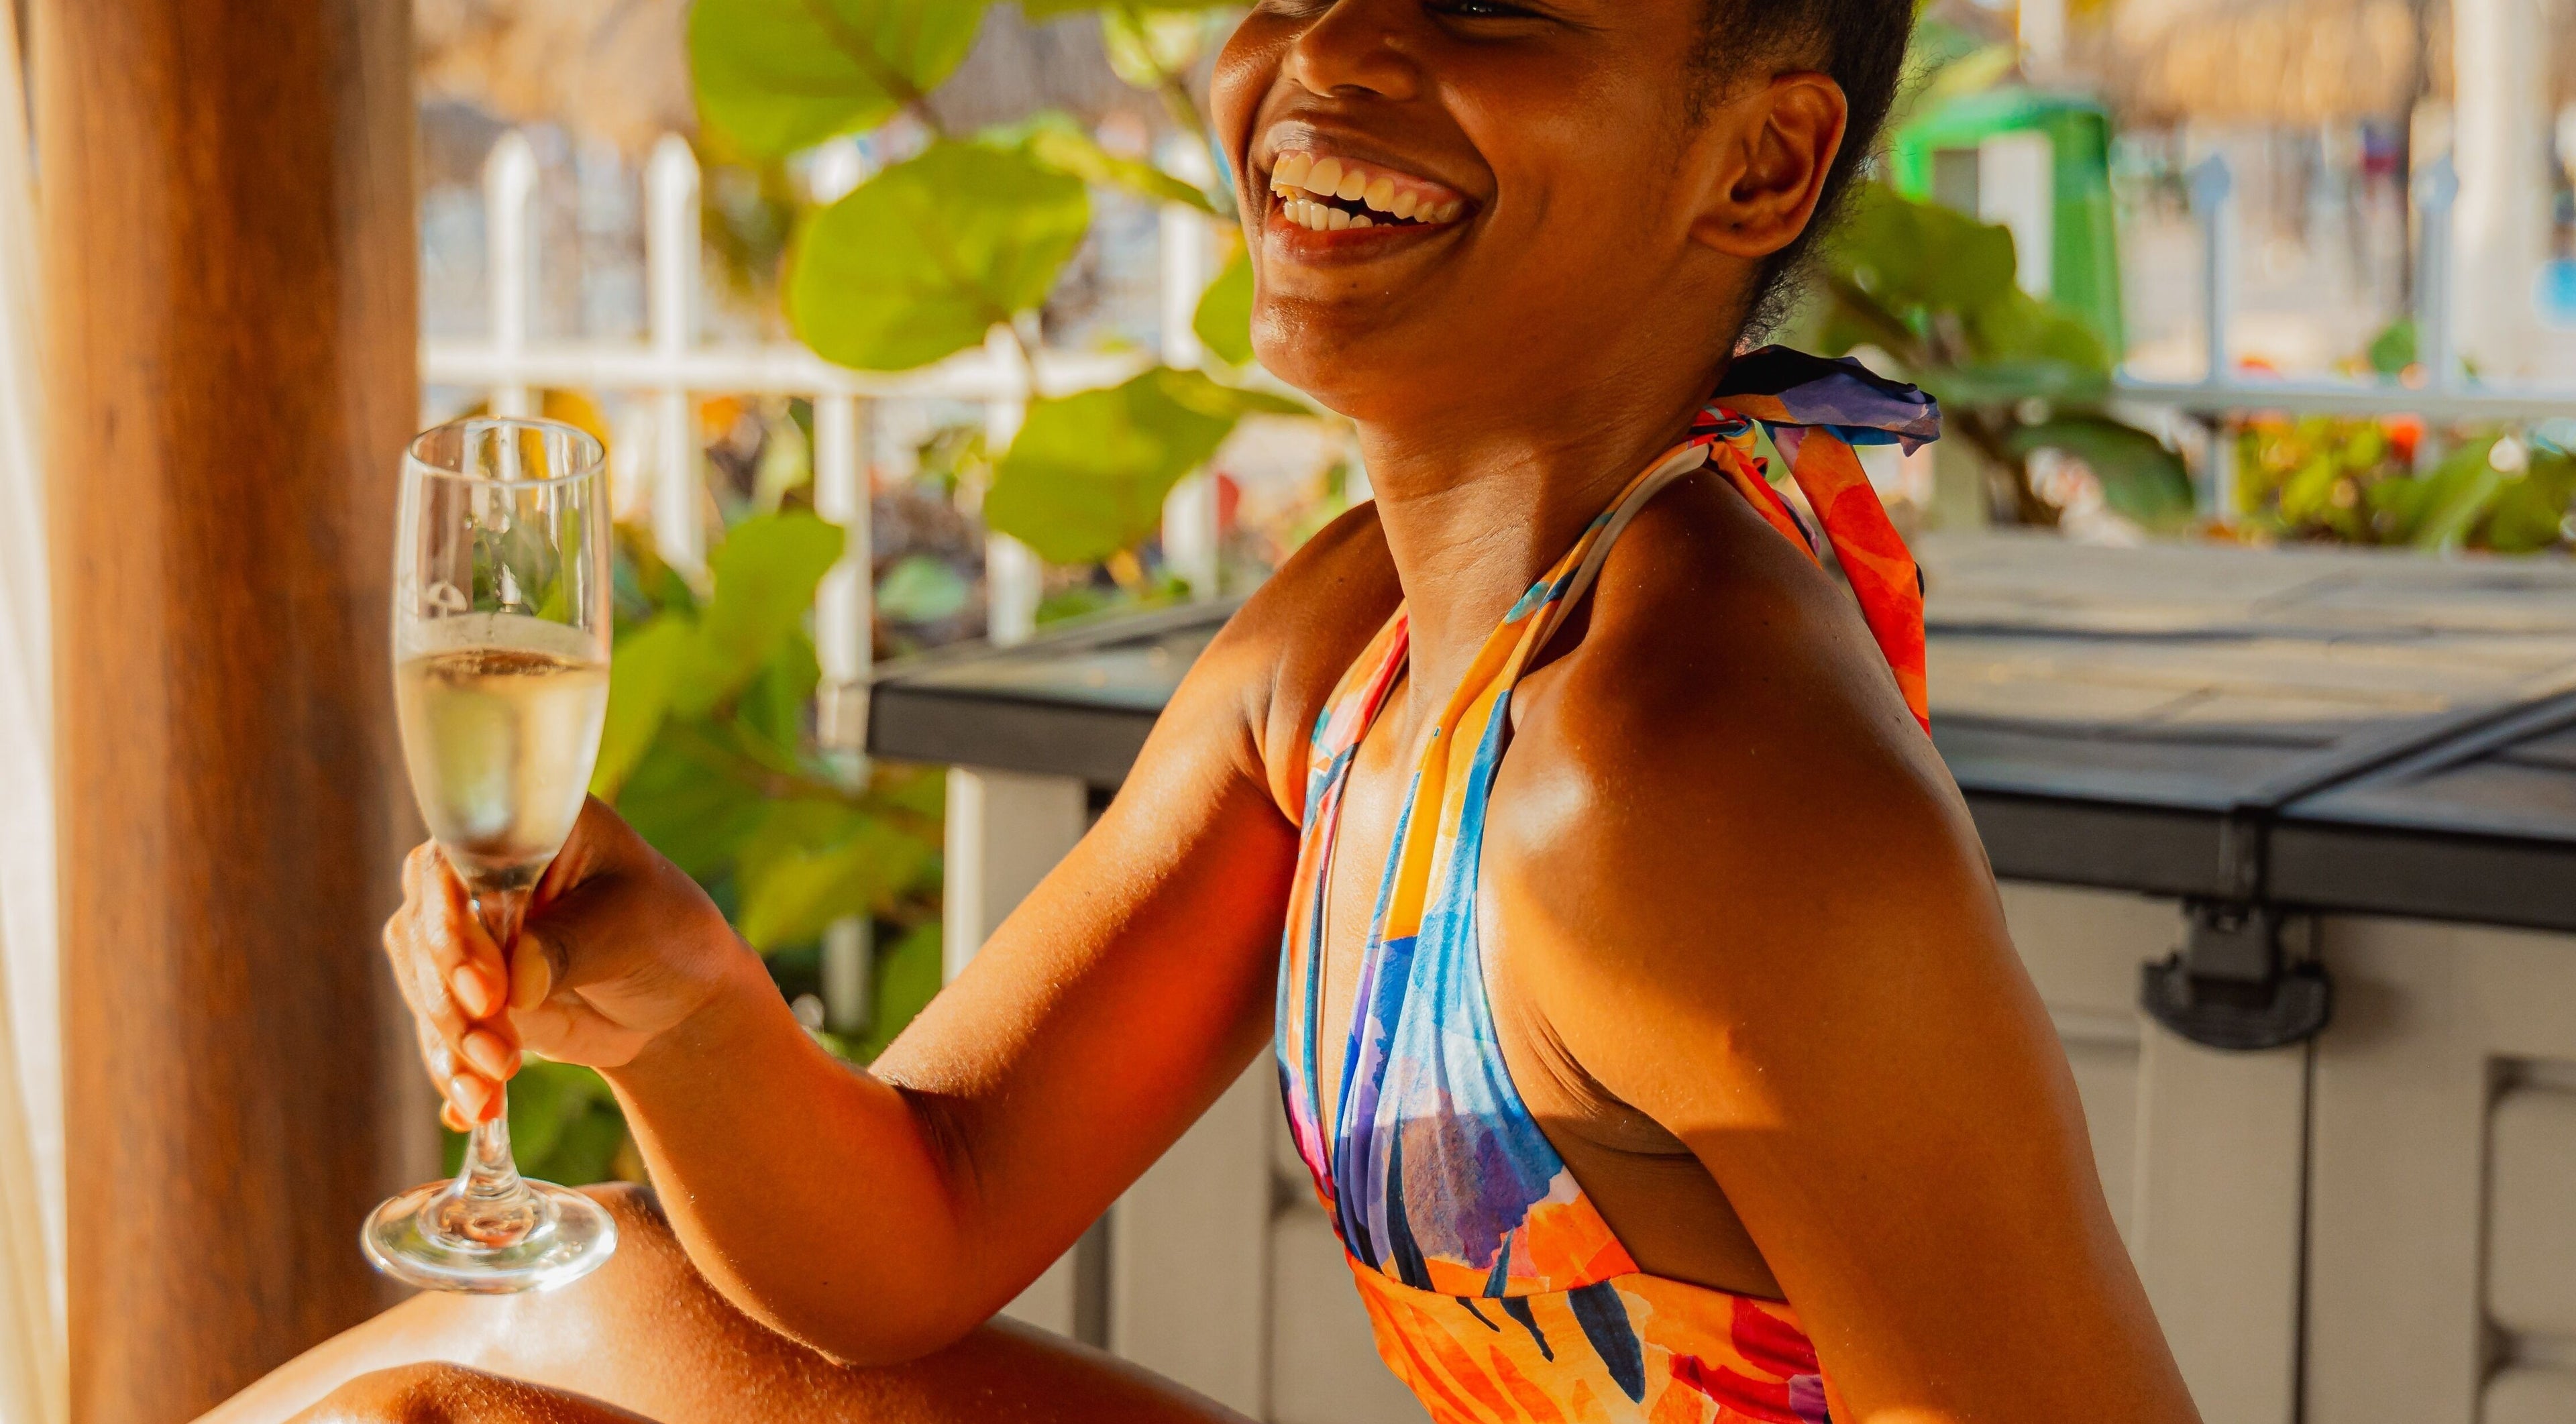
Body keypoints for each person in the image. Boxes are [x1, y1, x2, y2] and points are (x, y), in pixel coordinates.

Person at [212, 1, 2202, 1420]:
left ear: (1759, 159)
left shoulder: (1682, 769)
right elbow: (918, 1221)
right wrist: (683, 1006)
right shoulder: (1360, 637)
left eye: (1488, 3)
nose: (1327, 53)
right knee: (585, 1287)